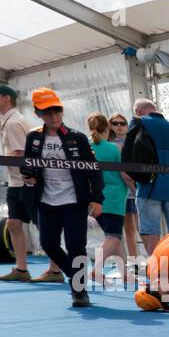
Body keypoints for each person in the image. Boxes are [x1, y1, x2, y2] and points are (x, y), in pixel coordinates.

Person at [19, 88, 103, 308]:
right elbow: (28, 165)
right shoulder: (33, 137)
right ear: (38, 113)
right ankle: (76, 279)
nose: (54, 117)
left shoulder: (78, 137)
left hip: (75, 201)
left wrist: (96, 198)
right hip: (46, 201)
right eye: (48, 113)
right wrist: (28, 177)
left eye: (57, 111)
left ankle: (79, 290)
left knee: (77, 246)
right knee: (48, 244)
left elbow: (94, 170)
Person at [0, 84, 45, 283]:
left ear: (7, 98)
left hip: (26, 182)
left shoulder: (13, 122)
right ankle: (21, 268)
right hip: (17, 182)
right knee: (14, 223)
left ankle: (54, 268)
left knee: (42, 225)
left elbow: (18, 154)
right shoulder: (10, 120)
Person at [128, 98, 169, 255]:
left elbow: (128, 156)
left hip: (147, 189)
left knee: (152, 235)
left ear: (138, 111)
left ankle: (156, 272)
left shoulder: (138, 122)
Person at [86, 113, 130, 288]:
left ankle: (125, 274)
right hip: (114, 198)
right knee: (113, 237)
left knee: (115, 239)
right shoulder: (113, 149)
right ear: (107, 128)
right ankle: (96, 271)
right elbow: (124, 174)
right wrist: (136, 188)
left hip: (93, 199)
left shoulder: (87, 148)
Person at [106, 113, 141, 260]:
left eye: (122, 123)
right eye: (115, 123)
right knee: (117, 231)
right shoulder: (107, 145)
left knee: (135, 229)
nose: (119, 126)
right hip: (117, 193)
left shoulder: (133, 142)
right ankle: (121, 262)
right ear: (109, 125)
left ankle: (134, 261)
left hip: (134, 190)